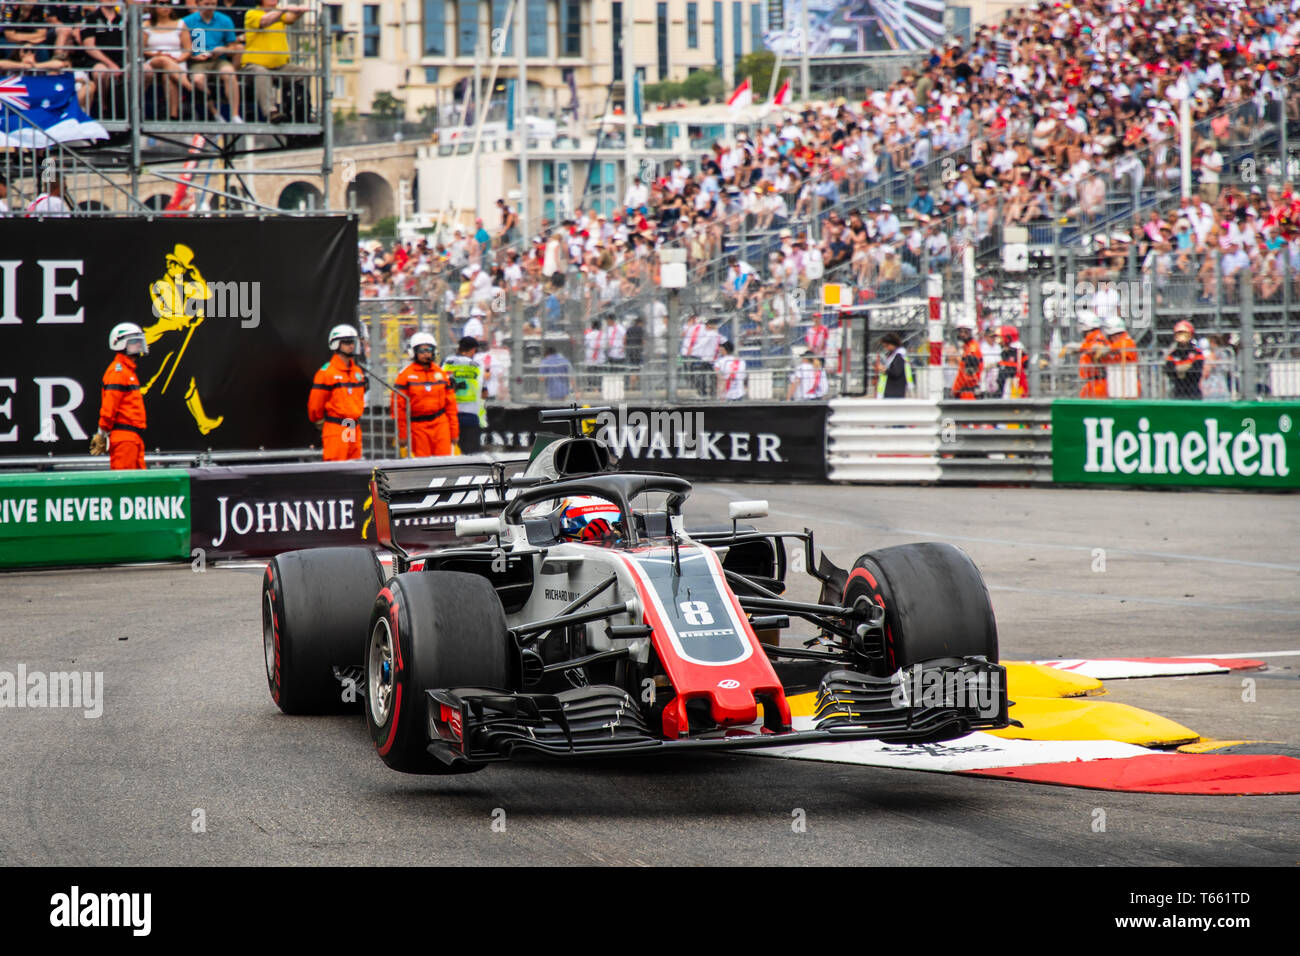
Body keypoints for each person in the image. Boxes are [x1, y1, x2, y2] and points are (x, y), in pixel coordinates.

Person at [242, 0, 310, 123]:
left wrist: (300, 11)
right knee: (261, 72)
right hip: (254, 66)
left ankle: (298, 110)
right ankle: (271, 112)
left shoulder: (278, 12)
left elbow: (290, 19)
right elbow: (265, 21)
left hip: (279, 66)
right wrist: (283, 10)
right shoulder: (252, 13)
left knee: (303, 72)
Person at [391, 331, 458, 458]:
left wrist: (454, 432)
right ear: (414, 352)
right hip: (418, 427)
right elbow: (399, 409)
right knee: (422, 463)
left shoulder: (441, 373)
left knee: (445, 462)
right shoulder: (405, 376)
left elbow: (451, 405)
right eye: (422, 350)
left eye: (429, 350)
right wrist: (403, 435)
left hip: (440, 424)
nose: (426, 353)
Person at [94, 323, 149, 470]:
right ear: (120, 344)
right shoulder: (118, 372)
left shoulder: (127, 371)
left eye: (139, 341)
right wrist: (102, 433)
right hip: (124, 438)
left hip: (133, 438)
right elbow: (109, 406)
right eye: (133, 341)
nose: (138, 344)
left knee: (138, 485)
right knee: (126, 485)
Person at [308, 323, 366, 461]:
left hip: (353, 426)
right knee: (336, 469)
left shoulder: (357, 372)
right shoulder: (327, 373)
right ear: (336, 344)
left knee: (354, 467)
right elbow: (315, 404)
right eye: (346, 342)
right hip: (336, 427)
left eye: (352, 342)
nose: (351, 345)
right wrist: (319, 421)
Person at [183, 0, 243, 121]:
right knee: (198, 80)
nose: (210, 7)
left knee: (230, 74)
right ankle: (215, 114)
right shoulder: (187, 21)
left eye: (213, 4)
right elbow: (181, 46)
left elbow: (233, 45)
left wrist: (223, 49)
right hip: (197, 61)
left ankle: (235, 115)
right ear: (198, 4)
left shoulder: (225, 20)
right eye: (206, 4)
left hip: (219, 60)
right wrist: (193, 56)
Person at [443, 336, 486, 452]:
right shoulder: (477, 365)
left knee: (449, 454)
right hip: (471, 415)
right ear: (473, 350)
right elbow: (484, 392)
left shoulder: (446, 362)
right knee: (471, 456)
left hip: (448, 416)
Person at [1100, 316, 1140, 398]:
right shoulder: (1113, 344)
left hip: (1129, 386)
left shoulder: (1127, 341)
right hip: (1116, 385)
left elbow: (1119, 346)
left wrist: (1106, 349)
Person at [1073, 309, 1109, 398]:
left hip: (1098, 382)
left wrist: (1080, 348)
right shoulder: (1090, 339)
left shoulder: (1098, 338)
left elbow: (1097, 348)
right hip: (1090, 382)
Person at [1164, 320, 1204, 400]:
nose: (1182, 337)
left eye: (1185, 334)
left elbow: (1196, 371)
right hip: (1178, 389)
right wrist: (1186, 368)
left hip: (1193, 389)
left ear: (1191, 335)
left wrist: (1180, 370)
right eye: (1179, 334)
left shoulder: (1196, 352)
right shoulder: (1173, 353)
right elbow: (1169, 371)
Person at [951, 321, 982, 400]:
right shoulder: (967, 348)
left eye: (966, 332)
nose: (962, 334)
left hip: (968, 392)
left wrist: (956, 389)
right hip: (965, 391)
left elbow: (967, 376)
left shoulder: (972, 350)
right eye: (960, 331)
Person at [995, 325, 1028, 399]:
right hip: (1004, 387)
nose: (998, 341)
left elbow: (1016, 370)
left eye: (1000, 338)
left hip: (1015, 386)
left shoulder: (1018, 352)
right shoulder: (1004, 352)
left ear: (1008, 338)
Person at [876, 331, 911, 398]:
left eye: (887, 346)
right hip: (892, 389)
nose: (886, 348)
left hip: (894, 390)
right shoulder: (893, 355)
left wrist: (885, 370)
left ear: (893, 344)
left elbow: (896, 372)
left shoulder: (899, 357)